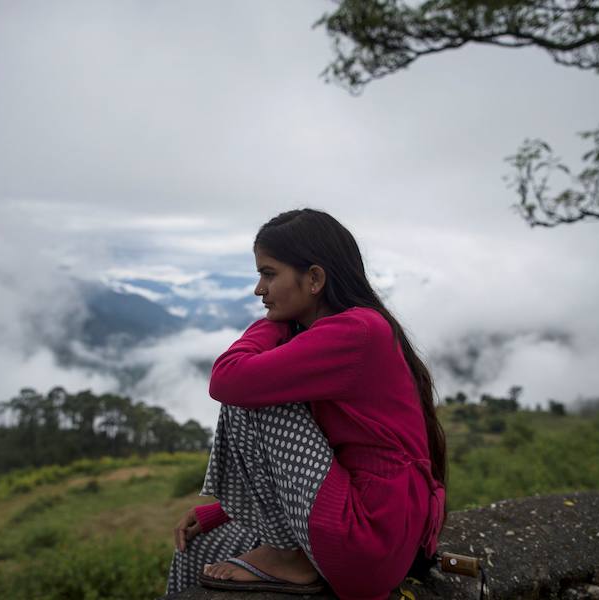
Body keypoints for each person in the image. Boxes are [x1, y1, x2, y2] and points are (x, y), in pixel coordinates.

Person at [166, 208, 446, 600]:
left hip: (368, 537)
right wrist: (220, 513)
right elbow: (312, 465)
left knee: (251, 397)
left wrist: (273, 323)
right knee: (196, 550)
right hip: (370, 534)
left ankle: (287, 558)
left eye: (268, 274)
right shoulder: (340, 333)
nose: (258, 290)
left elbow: (228, 378)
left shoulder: (357, 331)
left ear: (314, 278)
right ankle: (283, 554)